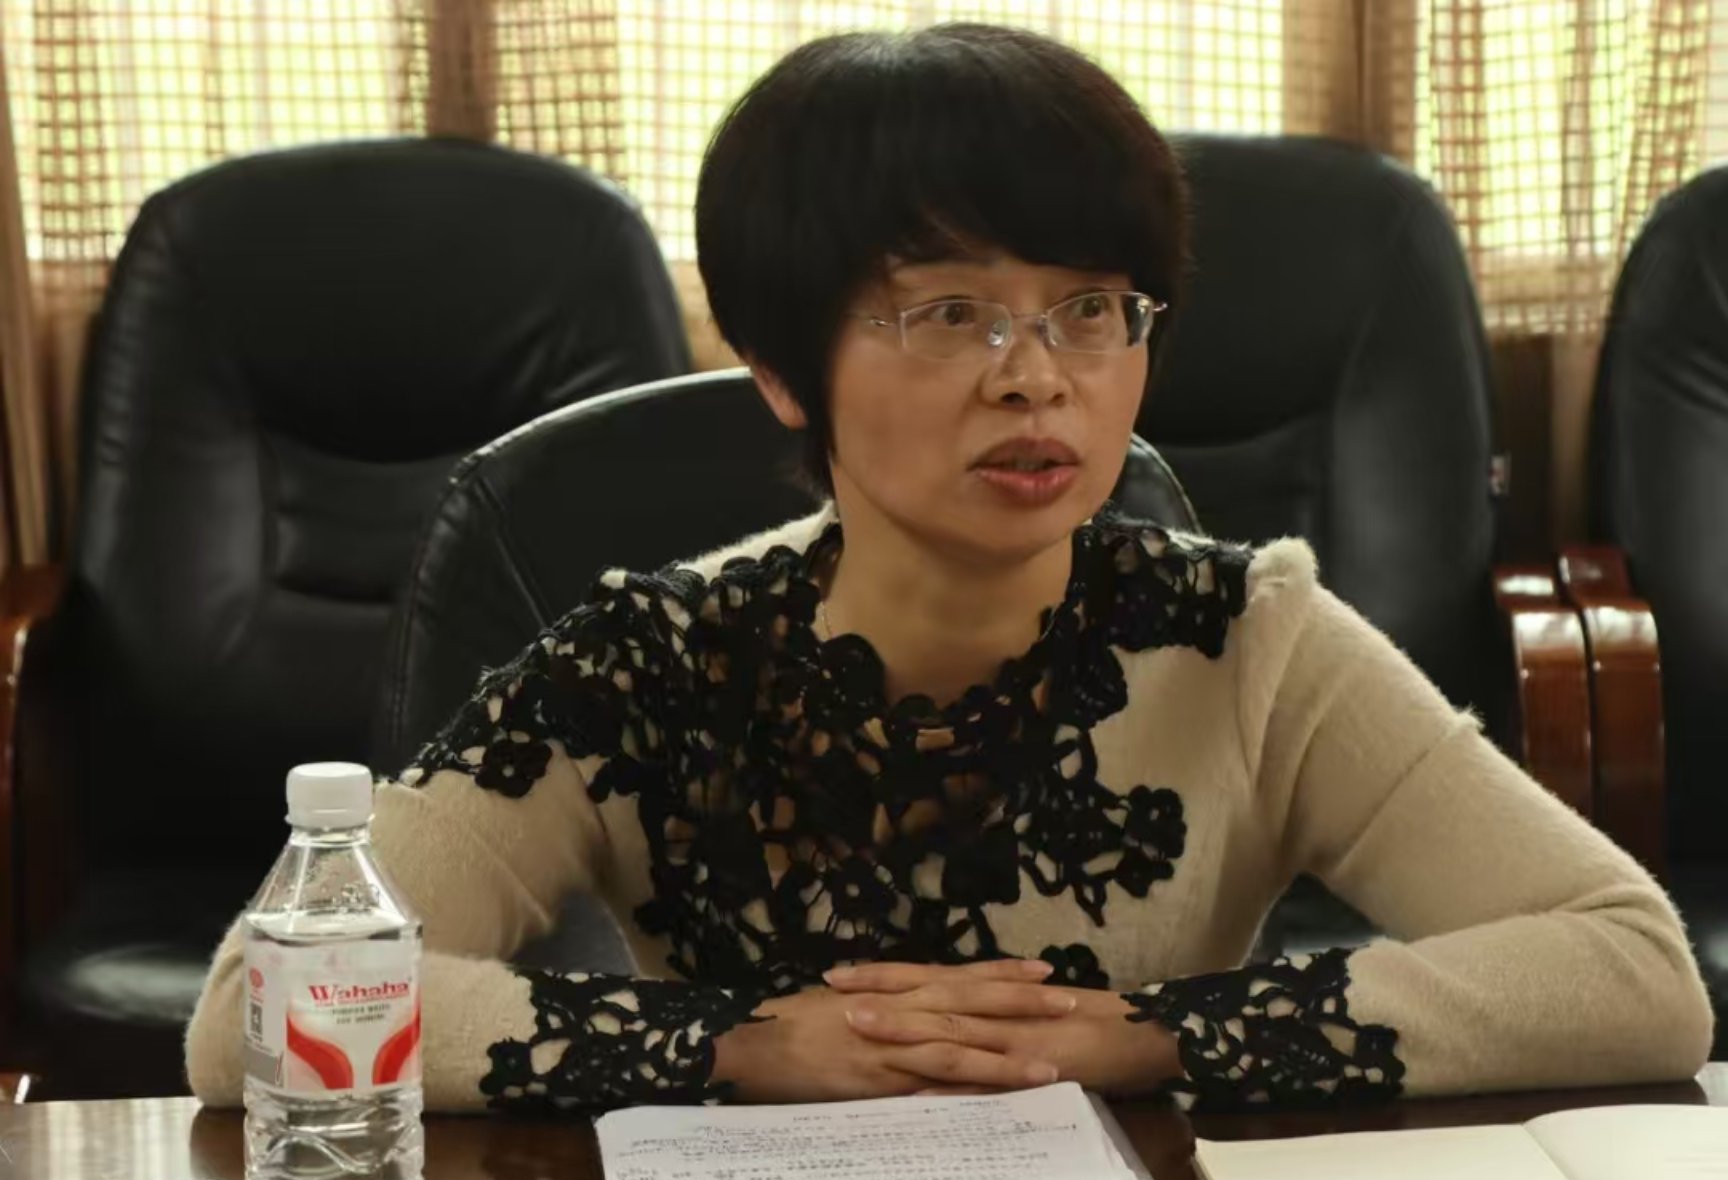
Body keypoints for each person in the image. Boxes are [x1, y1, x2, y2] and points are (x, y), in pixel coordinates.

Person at [187, 23, 1711, 1115]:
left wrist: (1151, 1035)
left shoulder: (1247, 635)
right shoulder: (650, 661)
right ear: (782, 368)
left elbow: (1634, 970)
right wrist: (726, 1044)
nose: (1035, 377)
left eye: (1091, 310)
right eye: (949, 314)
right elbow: (258, 1004)